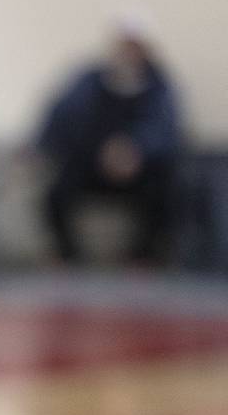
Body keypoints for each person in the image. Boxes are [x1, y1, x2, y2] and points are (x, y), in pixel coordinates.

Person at [37, 14, 182, 265]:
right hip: (92, 165)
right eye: (123, 45)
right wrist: (37, 147)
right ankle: (66, 254)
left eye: (134, 46)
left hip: (138, 167)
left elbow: (166, 129)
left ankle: (144, 256)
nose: (128, 53)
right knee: (58, 189)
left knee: (165, 189)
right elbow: (61, 115)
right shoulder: (89, 80)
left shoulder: (159, 85)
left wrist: (135, 150)